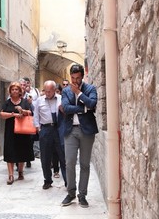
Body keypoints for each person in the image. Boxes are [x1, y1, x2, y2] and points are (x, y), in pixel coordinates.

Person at [61, 64, 98, 208]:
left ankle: (82, 195)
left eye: (77, 78)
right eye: (73, 78)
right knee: (69, 163)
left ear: (82, 76)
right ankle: (71, 193)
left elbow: (93, 103)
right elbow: (66, 108)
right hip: (71, 131)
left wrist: (79, 94)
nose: (75, 81)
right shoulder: (65, 91)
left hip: (87, 131)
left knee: (84, 164)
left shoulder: (90, 89)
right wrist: (84, 108)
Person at [34, 80, 66, 189]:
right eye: (45, 91)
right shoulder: (39, 100)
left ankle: (67, 181)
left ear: (54, 90)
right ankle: (47, 180)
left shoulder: (61, 99)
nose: (47, 93)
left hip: (58, 128)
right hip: (46, 129)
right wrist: (38, 128)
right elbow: (36, 115)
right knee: (45, 157)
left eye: (49, 91)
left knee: (62, 155)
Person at [0, 82, 34, 185]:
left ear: (20, 91)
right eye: (13, 89)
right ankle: (10, 175)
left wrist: (22, 111)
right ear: (10, 91)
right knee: (9, 151)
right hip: (10, 130)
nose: (14, 91)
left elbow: (30, 113)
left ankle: (20, 171)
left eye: (16, 89)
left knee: (21, 151)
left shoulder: (24, 102)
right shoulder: (7, 102)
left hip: (22, 130)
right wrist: (13, 114)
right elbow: (1, 114)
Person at [23, 77, 40, 159]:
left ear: (29, 83)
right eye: (24, 83)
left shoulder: (35, 91)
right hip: (23, 117)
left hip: (33, 115)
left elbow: (38, 103)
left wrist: (31, 103)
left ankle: (32, 153)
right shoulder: (21, 93)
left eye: (27, 83)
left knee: (32, 136)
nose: (26, 85)